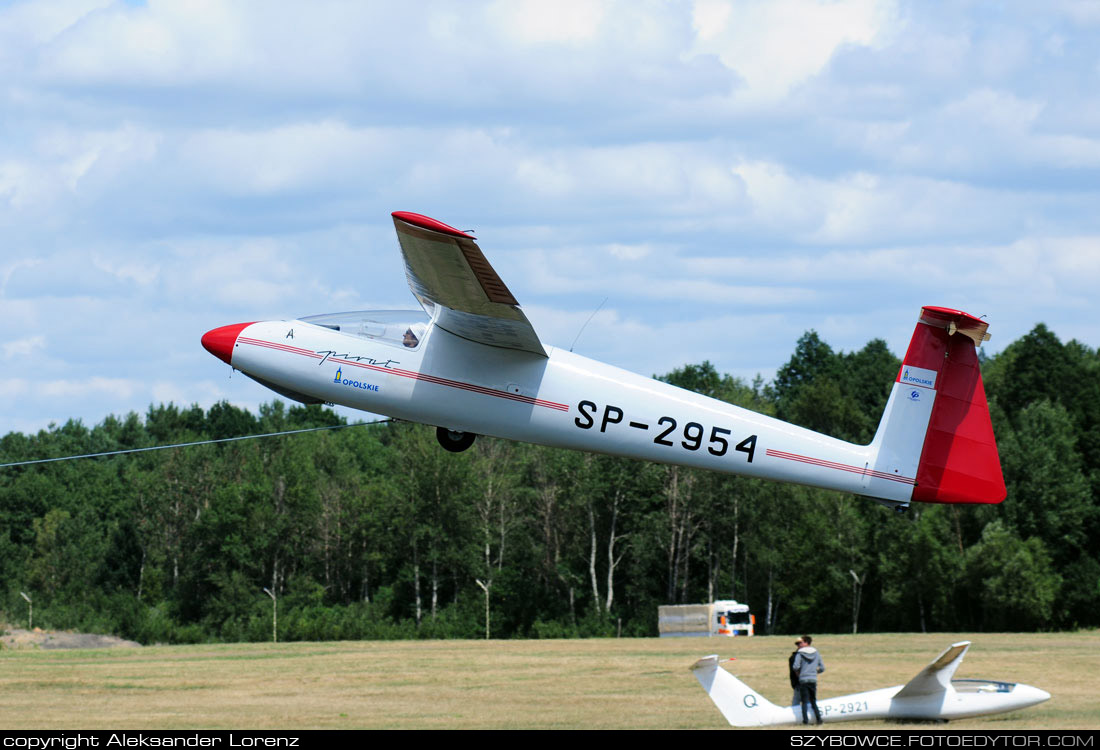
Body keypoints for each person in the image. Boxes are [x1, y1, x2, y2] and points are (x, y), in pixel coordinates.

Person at [792, 635, 825, 725]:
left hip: (803, 679)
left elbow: (795, 666)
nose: (799, 644)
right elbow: (822, 668)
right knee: (813, 700)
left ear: (806, 642)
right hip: (813, 679)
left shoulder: (800, 653)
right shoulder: (816, 653)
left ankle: (805, 721)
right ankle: (819, 719)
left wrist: (800, 673)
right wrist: (814, 672)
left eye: (801, 642)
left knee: (804, 701)